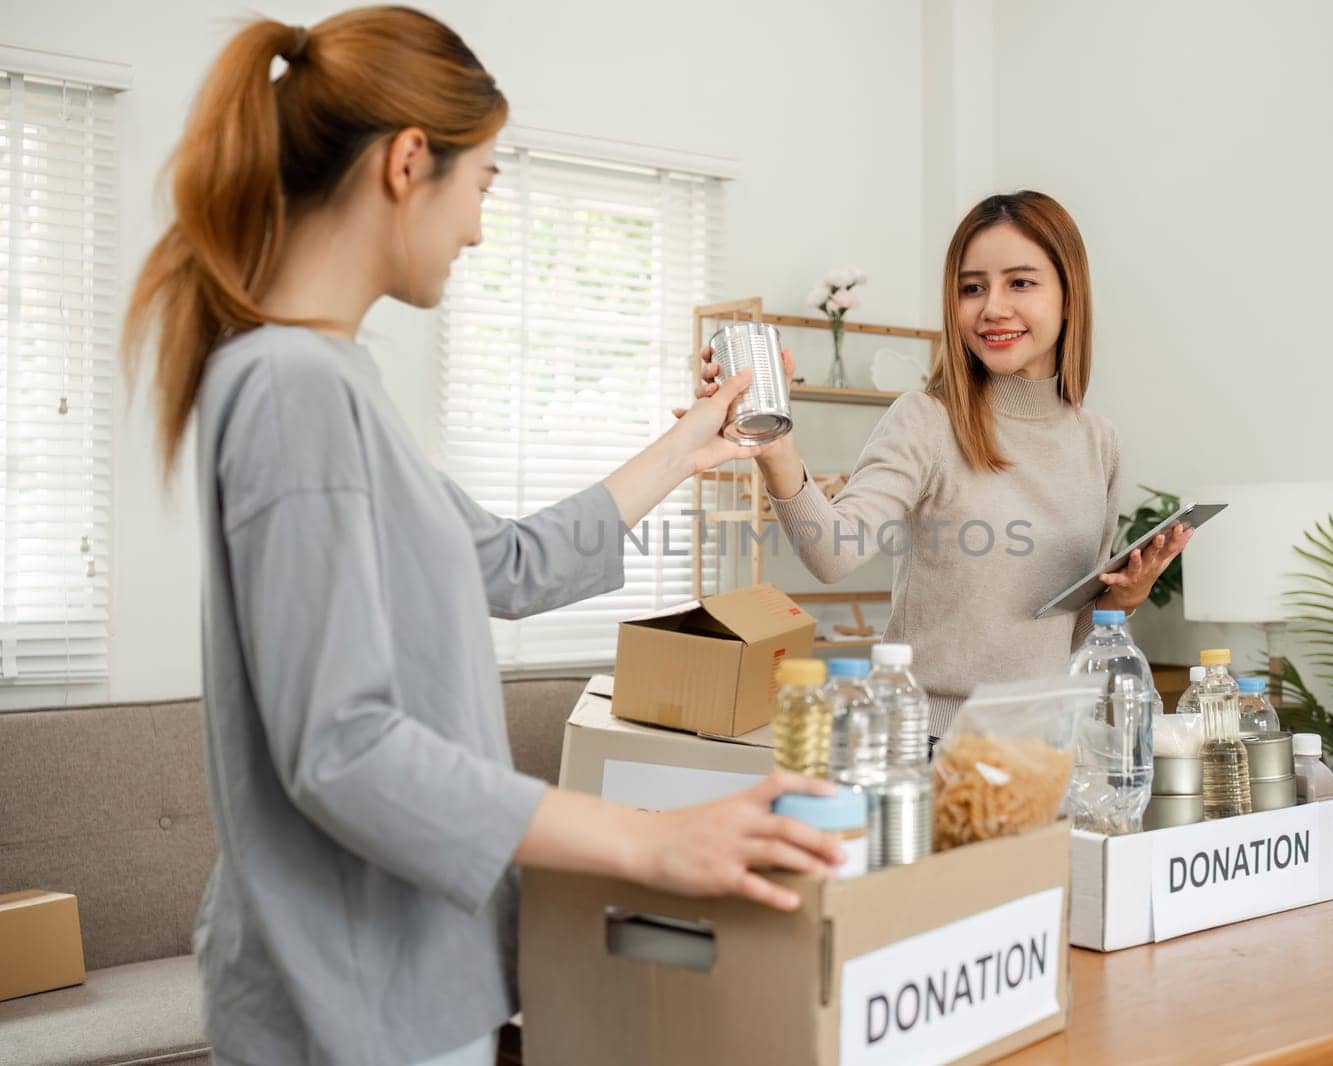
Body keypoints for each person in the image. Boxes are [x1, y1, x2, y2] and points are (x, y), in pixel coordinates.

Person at [121, 9, 839, 1065]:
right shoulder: (294, 386)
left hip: (406, 981)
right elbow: (342, 746)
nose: (478, 226)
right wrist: (649, 838)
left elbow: (502, 565)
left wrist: (682, 449)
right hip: (349, 997)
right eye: (486, 182)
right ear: (411, 162)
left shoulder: (328, 380)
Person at [695, 191, 1190, 737]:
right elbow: (832, 552)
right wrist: (774, 449)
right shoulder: (926, 420)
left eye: (1020, 283)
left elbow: (1067, 632)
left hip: (1048, 744)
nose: (992, 308)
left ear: (1069, 296)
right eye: (971, 288)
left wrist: (1127, 595)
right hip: (929, 743)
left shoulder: (1099, 441)